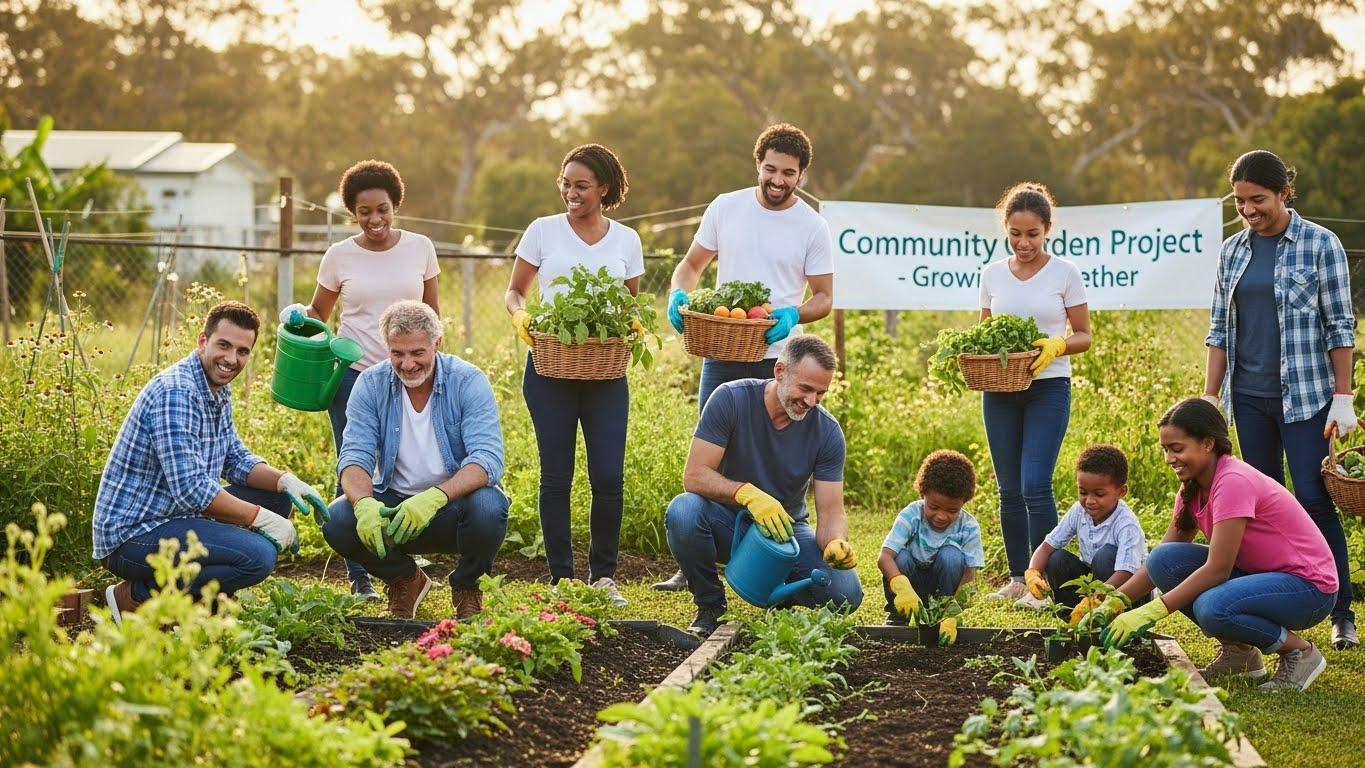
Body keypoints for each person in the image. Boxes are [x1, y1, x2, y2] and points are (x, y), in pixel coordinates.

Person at [654, 123, 835, 593]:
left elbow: (824, 298)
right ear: (759, 164)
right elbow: (691, 265)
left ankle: (766, 551)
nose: (778, 179)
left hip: (779, 358)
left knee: (769, 460)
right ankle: (695, 560)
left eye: (789, 173)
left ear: (802, 176)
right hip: (723, 350)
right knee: (712, 457)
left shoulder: (812, 226)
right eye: (771, 169)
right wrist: (678, 295)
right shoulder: (726, 207)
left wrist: (794, 312)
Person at [1201, 149, 1358, 649]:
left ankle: (1341, 610)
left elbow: (1340, 327)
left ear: (1284, 192)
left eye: (1259, 199)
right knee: (1259, 509)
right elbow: (1219, 331)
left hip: (1306, 398)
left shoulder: (1320, 245)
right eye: (1241, 201)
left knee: (1312, 499)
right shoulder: (1233, 251)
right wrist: (1210, 396)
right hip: (1247, 398)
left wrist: (1343, 396)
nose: (1249, 210)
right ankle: (1262, 602)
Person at [94, 301, 328, 625]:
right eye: (224, 345)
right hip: (134, 535)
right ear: (202, 341)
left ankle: (201, 599)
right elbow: (191, 490)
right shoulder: (177, 392)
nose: (232, 359)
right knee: (257, 558)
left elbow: (233, 458)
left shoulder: (216, 388)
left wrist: (286, 481)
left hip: (176, 517)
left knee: (276, 498)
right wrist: (262, 520)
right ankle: (135, 597)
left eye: (243, 351)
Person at [1094, 399, 1338, 692]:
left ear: (1208, 444)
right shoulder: (1192, 488)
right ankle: (1241, 655)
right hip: (1264, 578)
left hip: (1309, 589)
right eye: (1165, 450)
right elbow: (1157, 564)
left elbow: (1218, 570)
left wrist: (1152, 610)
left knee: (1212, 607)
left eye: (1177, 448)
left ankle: (1300, 652)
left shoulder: (1232, 481)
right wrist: (1113, 601)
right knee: (1163, 560)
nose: (1169, 458)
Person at [280, 159, 440, 602]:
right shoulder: (339, 256)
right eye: (365, 211)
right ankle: (360, 576)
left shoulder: (420, 248)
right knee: (354, 469)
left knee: (407, 468)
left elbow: (432, 318)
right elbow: (319, 317)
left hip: (410, 376)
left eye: (383, 209)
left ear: (396, 205)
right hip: (353, 379)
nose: (375, 219)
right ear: (353, 211)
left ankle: (401, 561)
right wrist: (296, 317)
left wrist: (432, 371)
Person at [504, 143, 642, 607]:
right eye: (566, 184)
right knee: (556, 475)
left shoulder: (626, 240)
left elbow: (628, 303)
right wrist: (522, 318)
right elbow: (514, 292)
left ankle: (603, 576)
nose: (571, 193)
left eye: (581, 185)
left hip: (605, 374)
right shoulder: (542, 231)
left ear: (603, 188)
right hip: (550, 369)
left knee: (608, 476)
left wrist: (634, 323)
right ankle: (561, 577)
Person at [321, 301, 508, 620]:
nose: (407, 364)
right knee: (336, 519)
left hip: (453, 508)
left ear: (437, 344)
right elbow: (354, 458)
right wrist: (365, 504)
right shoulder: (370, 384)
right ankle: (405, 579)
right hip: (394, 509)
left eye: (417, 353)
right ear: (388, 348)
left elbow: (487, 459)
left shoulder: (467, 381)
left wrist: (435, 497)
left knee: (490, 506)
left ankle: (466, 586)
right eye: (398, 354)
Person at [664, 334, 861, 637]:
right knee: (684, 511)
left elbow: (832, 511)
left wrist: (836, 540)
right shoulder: (731, 399)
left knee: (846, 594)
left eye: (820, 394)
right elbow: (694, 475)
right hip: (728, 523)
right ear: (780, 371)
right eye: (805, 389)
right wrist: (746, 494)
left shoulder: (827, 432)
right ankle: (710, 605)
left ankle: (781, 597)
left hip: (786, 532)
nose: (811, 401)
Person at [978, 182, 1091, 609]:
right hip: (1001, 389)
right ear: (1006, 230)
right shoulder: (990, 274)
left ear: (1047, 230)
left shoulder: (1065, 274)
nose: (1023, 243)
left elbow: (1083, 335)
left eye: (1032, 234)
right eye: (1015, 234)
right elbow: (986, 332)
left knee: (1034, 484)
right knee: (1008, 488)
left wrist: (1057, 345)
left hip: (1048, 387)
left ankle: (1042, 582)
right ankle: (1016, 578)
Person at [1022, 445, 1148, 619]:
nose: (1089, 501)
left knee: (1105, 556)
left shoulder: (1126, 524)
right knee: (1057, 559)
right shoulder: (1079, 512)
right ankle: (1071, 617)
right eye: (1083, 492)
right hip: (1094, 585)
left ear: (1121, 492)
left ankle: (1106, 618)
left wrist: (1095, 599)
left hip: (1128, 593)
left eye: (1099, 494)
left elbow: (1125, 574)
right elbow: (1046, 548)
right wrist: (1033, 572)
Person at [878, 450, 985, 644]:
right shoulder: (912, 514)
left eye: (952, 510)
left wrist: (954, 610)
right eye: (934, 507)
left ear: (964, 502)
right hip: (911, 585)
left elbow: (970, 575)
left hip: (943, 588)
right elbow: (884, 557)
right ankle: (898, 617)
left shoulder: (968, 526)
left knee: (952, 556)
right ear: (923, 493)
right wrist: (902, 590)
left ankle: (943, 616)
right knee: (900, 557)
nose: (941, 516)